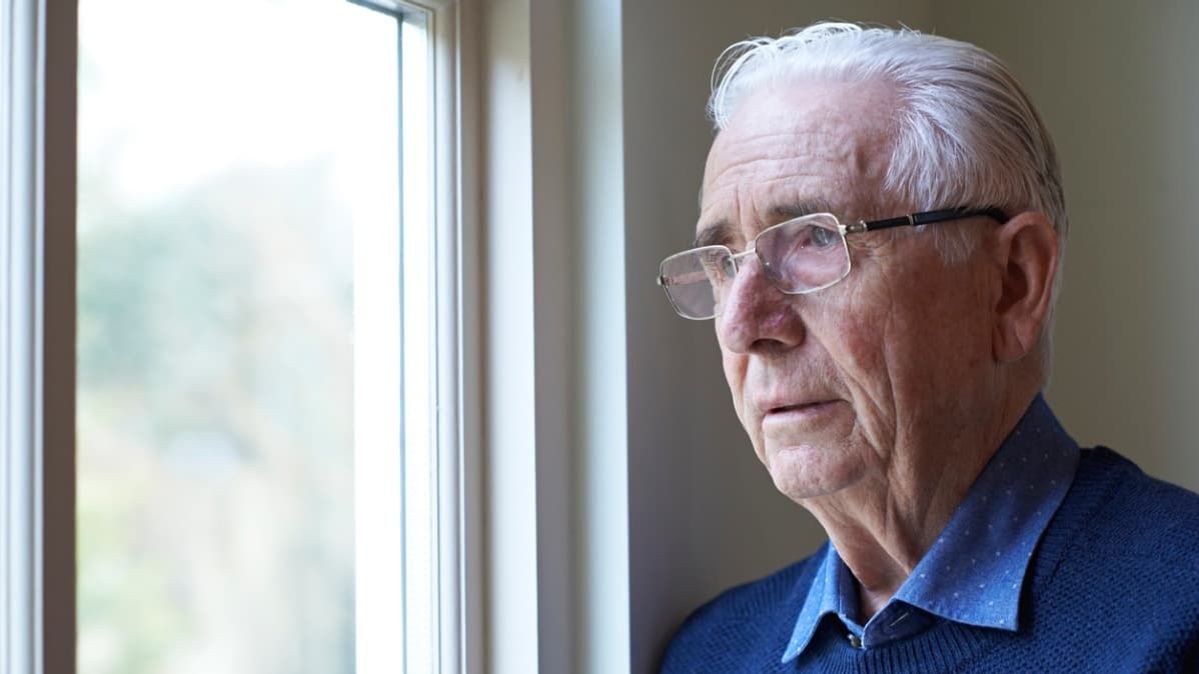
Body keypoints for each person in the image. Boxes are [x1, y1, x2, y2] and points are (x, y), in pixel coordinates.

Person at [656, 22, 1199, 673]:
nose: (742, 324)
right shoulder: (710, 653)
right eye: (723, 263)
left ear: (1010, 286)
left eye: (813, 239)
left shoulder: (1179, 613)